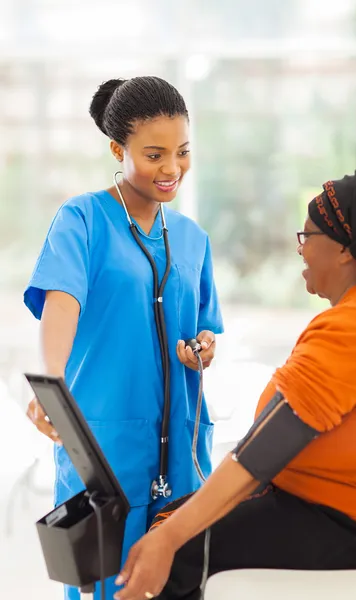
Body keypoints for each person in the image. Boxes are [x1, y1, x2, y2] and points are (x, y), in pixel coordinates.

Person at [113, 169, 356, 600]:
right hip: (350, 510)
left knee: (175, 547)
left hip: (354, 522)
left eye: (307, 236)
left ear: (343, 249)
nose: (299, 249)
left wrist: (169, 539)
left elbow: (264, 450)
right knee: (173, 518)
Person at [23, 76, 223, 600]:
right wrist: (51, 383)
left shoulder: (192, 238)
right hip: (105, 446)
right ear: (118, 149)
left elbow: (204, 327)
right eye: (154, 154)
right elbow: (61, 302)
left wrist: (202, 348)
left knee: (179, 584)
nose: (172, 169)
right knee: (107, 588)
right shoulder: (81, 220)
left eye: (182, 152)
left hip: (180, 448)